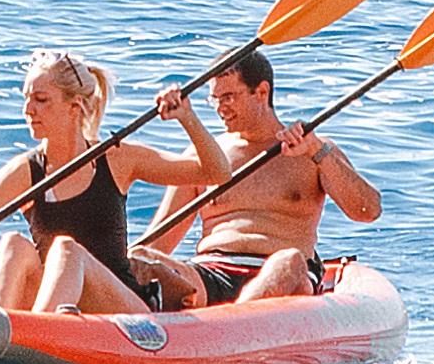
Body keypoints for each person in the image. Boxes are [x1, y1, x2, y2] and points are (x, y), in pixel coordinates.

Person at [0, 51, 223, 319]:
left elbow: (216, 173)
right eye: (26, 99)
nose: (28, 110)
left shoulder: (117, 159)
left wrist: (187, 117)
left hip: (122, 307)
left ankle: (43, 333)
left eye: (41, 99)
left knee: (67, 251)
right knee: (13, 244)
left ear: (75, 106)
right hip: (61, 306)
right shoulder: (24, 171)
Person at [145, 42, 383, 307]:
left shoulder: (312, 149)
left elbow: (367, 210)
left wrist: (318, 152)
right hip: (211, 273)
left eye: (229, 97)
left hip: (286, 274)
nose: (220, 108)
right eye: (215, 98)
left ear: (261, 92)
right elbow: (157, 243)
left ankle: (232, 324)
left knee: (288, 261)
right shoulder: (204, 156)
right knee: (142, 259)